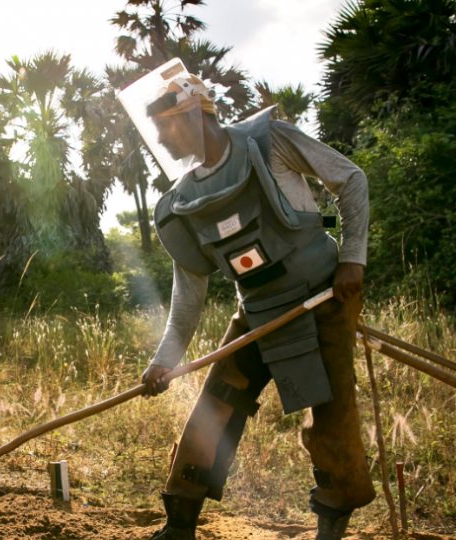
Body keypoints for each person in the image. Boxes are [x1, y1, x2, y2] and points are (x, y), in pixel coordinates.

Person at [117, 60, 375, 540]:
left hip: (324, 298)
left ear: (191, 114)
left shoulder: (270, 140)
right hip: (256, 314)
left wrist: (352, 259)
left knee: (335, 415)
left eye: (163, 128)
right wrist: (163, 361)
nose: (162, 141)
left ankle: (331, 528)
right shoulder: (182, 202)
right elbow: (187, 296)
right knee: (213, 407)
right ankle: (179, 524)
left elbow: (351, 180)